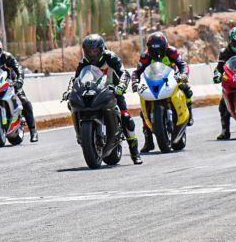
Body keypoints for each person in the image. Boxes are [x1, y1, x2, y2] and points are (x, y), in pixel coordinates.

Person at [64, 34, 142, 164]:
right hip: (93, 92)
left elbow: (124, 73)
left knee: (126, 118)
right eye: (89, 51)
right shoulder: (84, 63)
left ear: (101, 49)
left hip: (113, 92)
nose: (92, 53)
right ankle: (82, 136)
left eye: (95, 50)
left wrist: (121, 85)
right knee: (71, 104)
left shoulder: (110, 58)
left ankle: (135, 153)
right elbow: (76, 79)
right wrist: (70, 90)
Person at [132, 31, 194, 152]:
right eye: (153, 50)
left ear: (165, 47)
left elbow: (183, 64)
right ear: (149, 49)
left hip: (171, 79)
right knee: (143, 109)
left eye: (159, 50)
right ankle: (148, 141)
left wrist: (183, 75)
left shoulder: (172, 52)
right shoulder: (145, 57)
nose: (156, 53)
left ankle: (189, 113)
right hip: (153, 82)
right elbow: (137, 71)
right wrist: (135, 82)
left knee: (186, 88)